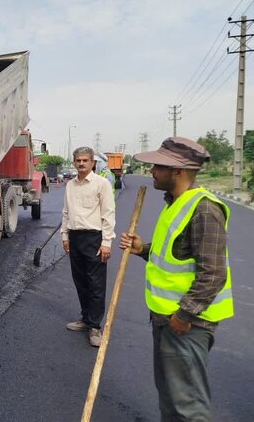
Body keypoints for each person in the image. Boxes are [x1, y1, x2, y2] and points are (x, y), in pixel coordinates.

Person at [119, 137, 232, 421]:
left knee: (188, 407)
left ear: (179, 171)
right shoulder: (175, 203)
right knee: (170, 396)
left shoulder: (205, 209)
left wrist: (184, 315)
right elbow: (173, 256)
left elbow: (213, 273)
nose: (152, 171)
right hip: (166, 319)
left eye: (159, 166)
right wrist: (141, 249)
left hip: (187, 325)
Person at [61, 146, 116, 347]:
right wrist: (65, 236)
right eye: (78, 160)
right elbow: (66, 212)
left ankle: (95, 326)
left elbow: (108, 213)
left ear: (93, 163)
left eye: (85, 160)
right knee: (81, 281)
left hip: (94, 237)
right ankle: (85, 318)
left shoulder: (102, 184)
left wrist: (106, 242)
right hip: (75, 238)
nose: (81, 164)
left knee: (96, 283)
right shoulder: (70, 185)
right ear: (74, 163)